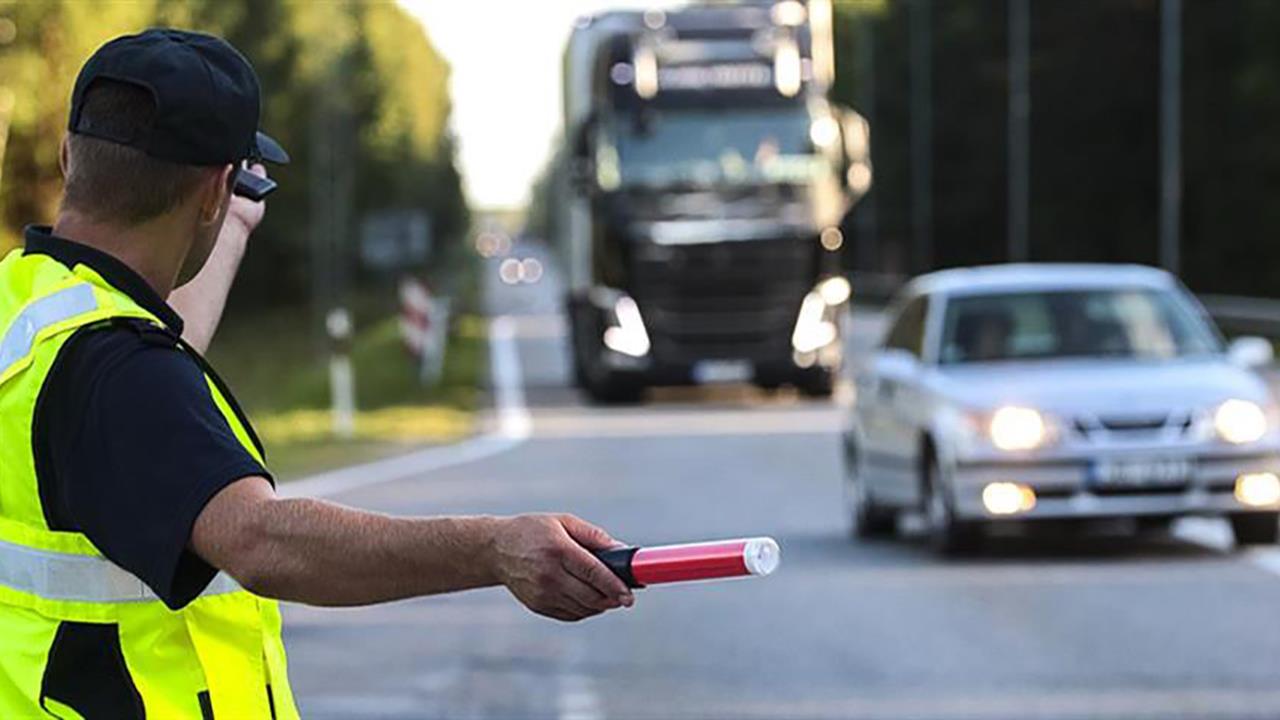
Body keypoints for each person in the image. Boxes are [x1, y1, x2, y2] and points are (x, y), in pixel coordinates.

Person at [0, 29, 633, 720]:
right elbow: (261, 542)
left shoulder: (31, 313)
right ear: (214, 189)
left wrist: (231, 227)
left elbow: (142, 401)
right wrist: (495, 548)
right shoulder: (116, 370)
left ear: (70, 157)